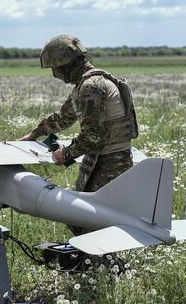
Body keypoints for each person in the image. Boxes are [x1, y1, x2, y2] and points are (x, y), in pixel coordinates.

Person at [19, 35, 139, 235]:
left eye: (53, 68)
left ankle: (101, 265)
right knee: (83, 221)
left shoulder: (90, 87)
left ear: (64, 65)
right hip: (106, 159)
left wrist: (64, 155)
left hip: (109, 162)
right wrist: (35, 133)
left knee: (89, 223)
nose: (54, 74)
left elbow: (93, 135)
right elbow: (63, 117)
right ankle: (96, 264)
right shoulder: (89, 83)